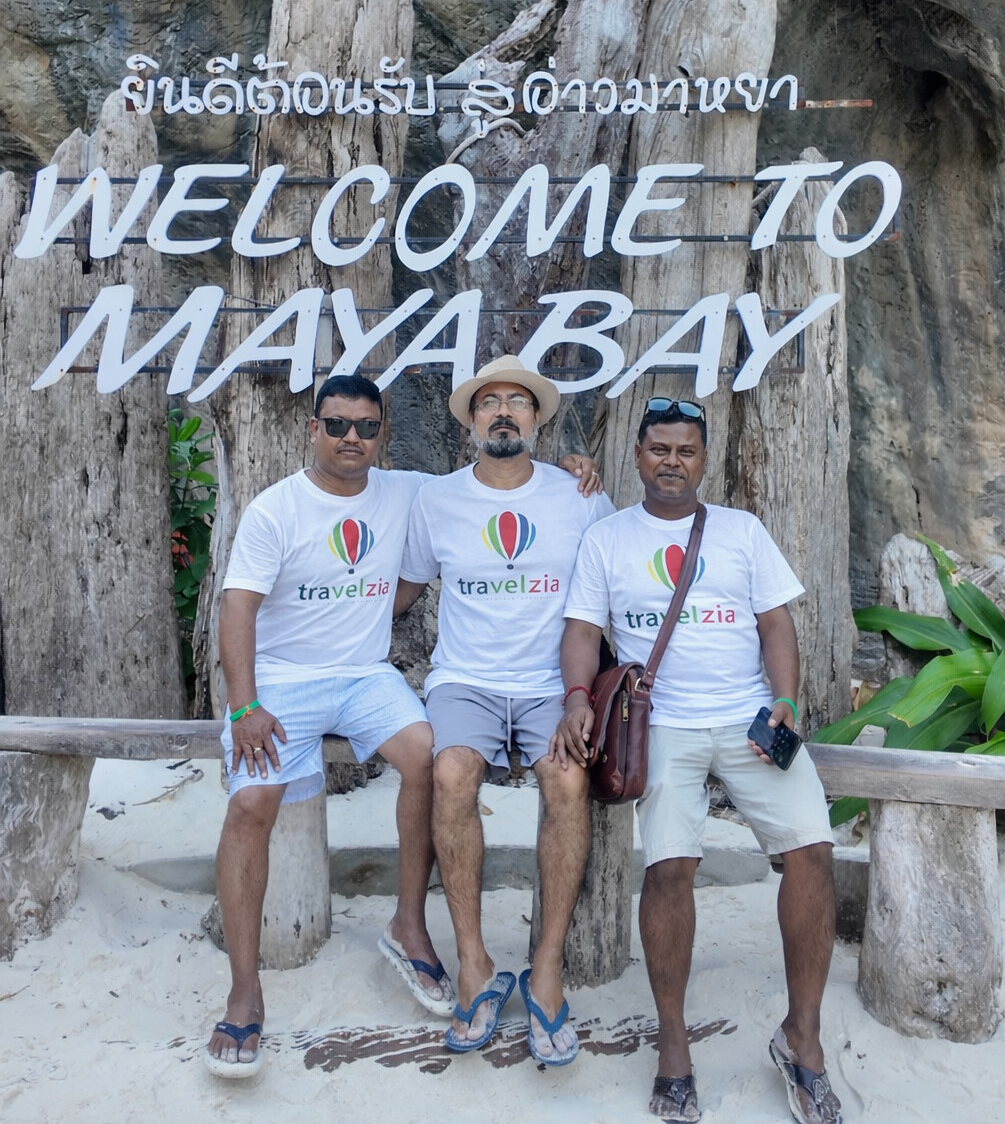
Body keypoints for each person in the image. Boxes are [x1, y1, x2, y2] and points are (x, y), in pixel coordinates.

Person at [205, 372, 600, 1079]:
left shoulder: (418, 490)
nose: (351, 438)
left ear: (383, 435)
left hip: (366, 676)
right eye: (337, 425)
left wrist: (576, 468)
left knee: (426, 757)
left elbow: (495, 489)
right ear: (313, 429)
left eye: (365, 427)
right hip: (283, 683)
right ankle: (244, 991)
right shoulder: (279, 510)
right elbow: (236, 608)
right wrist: (243, 705)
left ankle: (409, 925)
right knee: (253, 801)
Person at [555, 398, 842, 1124]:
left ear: (703, 460)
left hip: (749, 717)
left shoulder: (742, 531)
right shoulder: (609, 538)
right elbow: (585, 629)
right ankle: (674, 1047)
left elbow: (775, 622)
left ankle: (802, 1039)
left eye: (685, 450)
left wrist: (784, 699)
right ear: (639, 455)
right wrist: (576, 697)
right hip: (664, 724)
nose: (671, 462)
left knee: (811, 850)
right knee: (670, 866)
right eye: (658, 449)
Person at [397, 355, 615, 1065]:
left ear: (536, 421)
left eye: (517, 403)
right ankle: (473, 963)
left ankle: (546, 969)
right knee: (453, 774)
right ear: (469, 423)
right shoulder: (436, 499)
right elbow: (402, 587)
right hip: (467, 679)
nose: (502, 412)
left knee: (566, 780)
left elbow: (615, 581)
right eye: (488, 402)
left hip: (554, 680)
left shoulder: (579, 495)